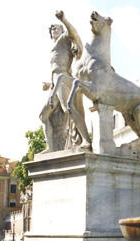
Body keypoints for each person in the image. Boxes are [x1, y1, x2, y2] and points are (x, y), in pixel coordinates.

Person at [39, 10, 92, 151]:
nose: (53, 29)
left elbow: (73, 32)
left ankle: (86, 140)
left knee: (69, 109)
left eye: (56, 27)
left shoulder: (64, 38)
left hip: (63, 79)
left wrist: (64, 20)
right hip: (55, 83)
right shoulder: (54, 47)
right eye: (51, 29)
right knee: (43, 116)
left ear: (62, 30)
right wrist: (50, 84)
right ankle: (51, 148)